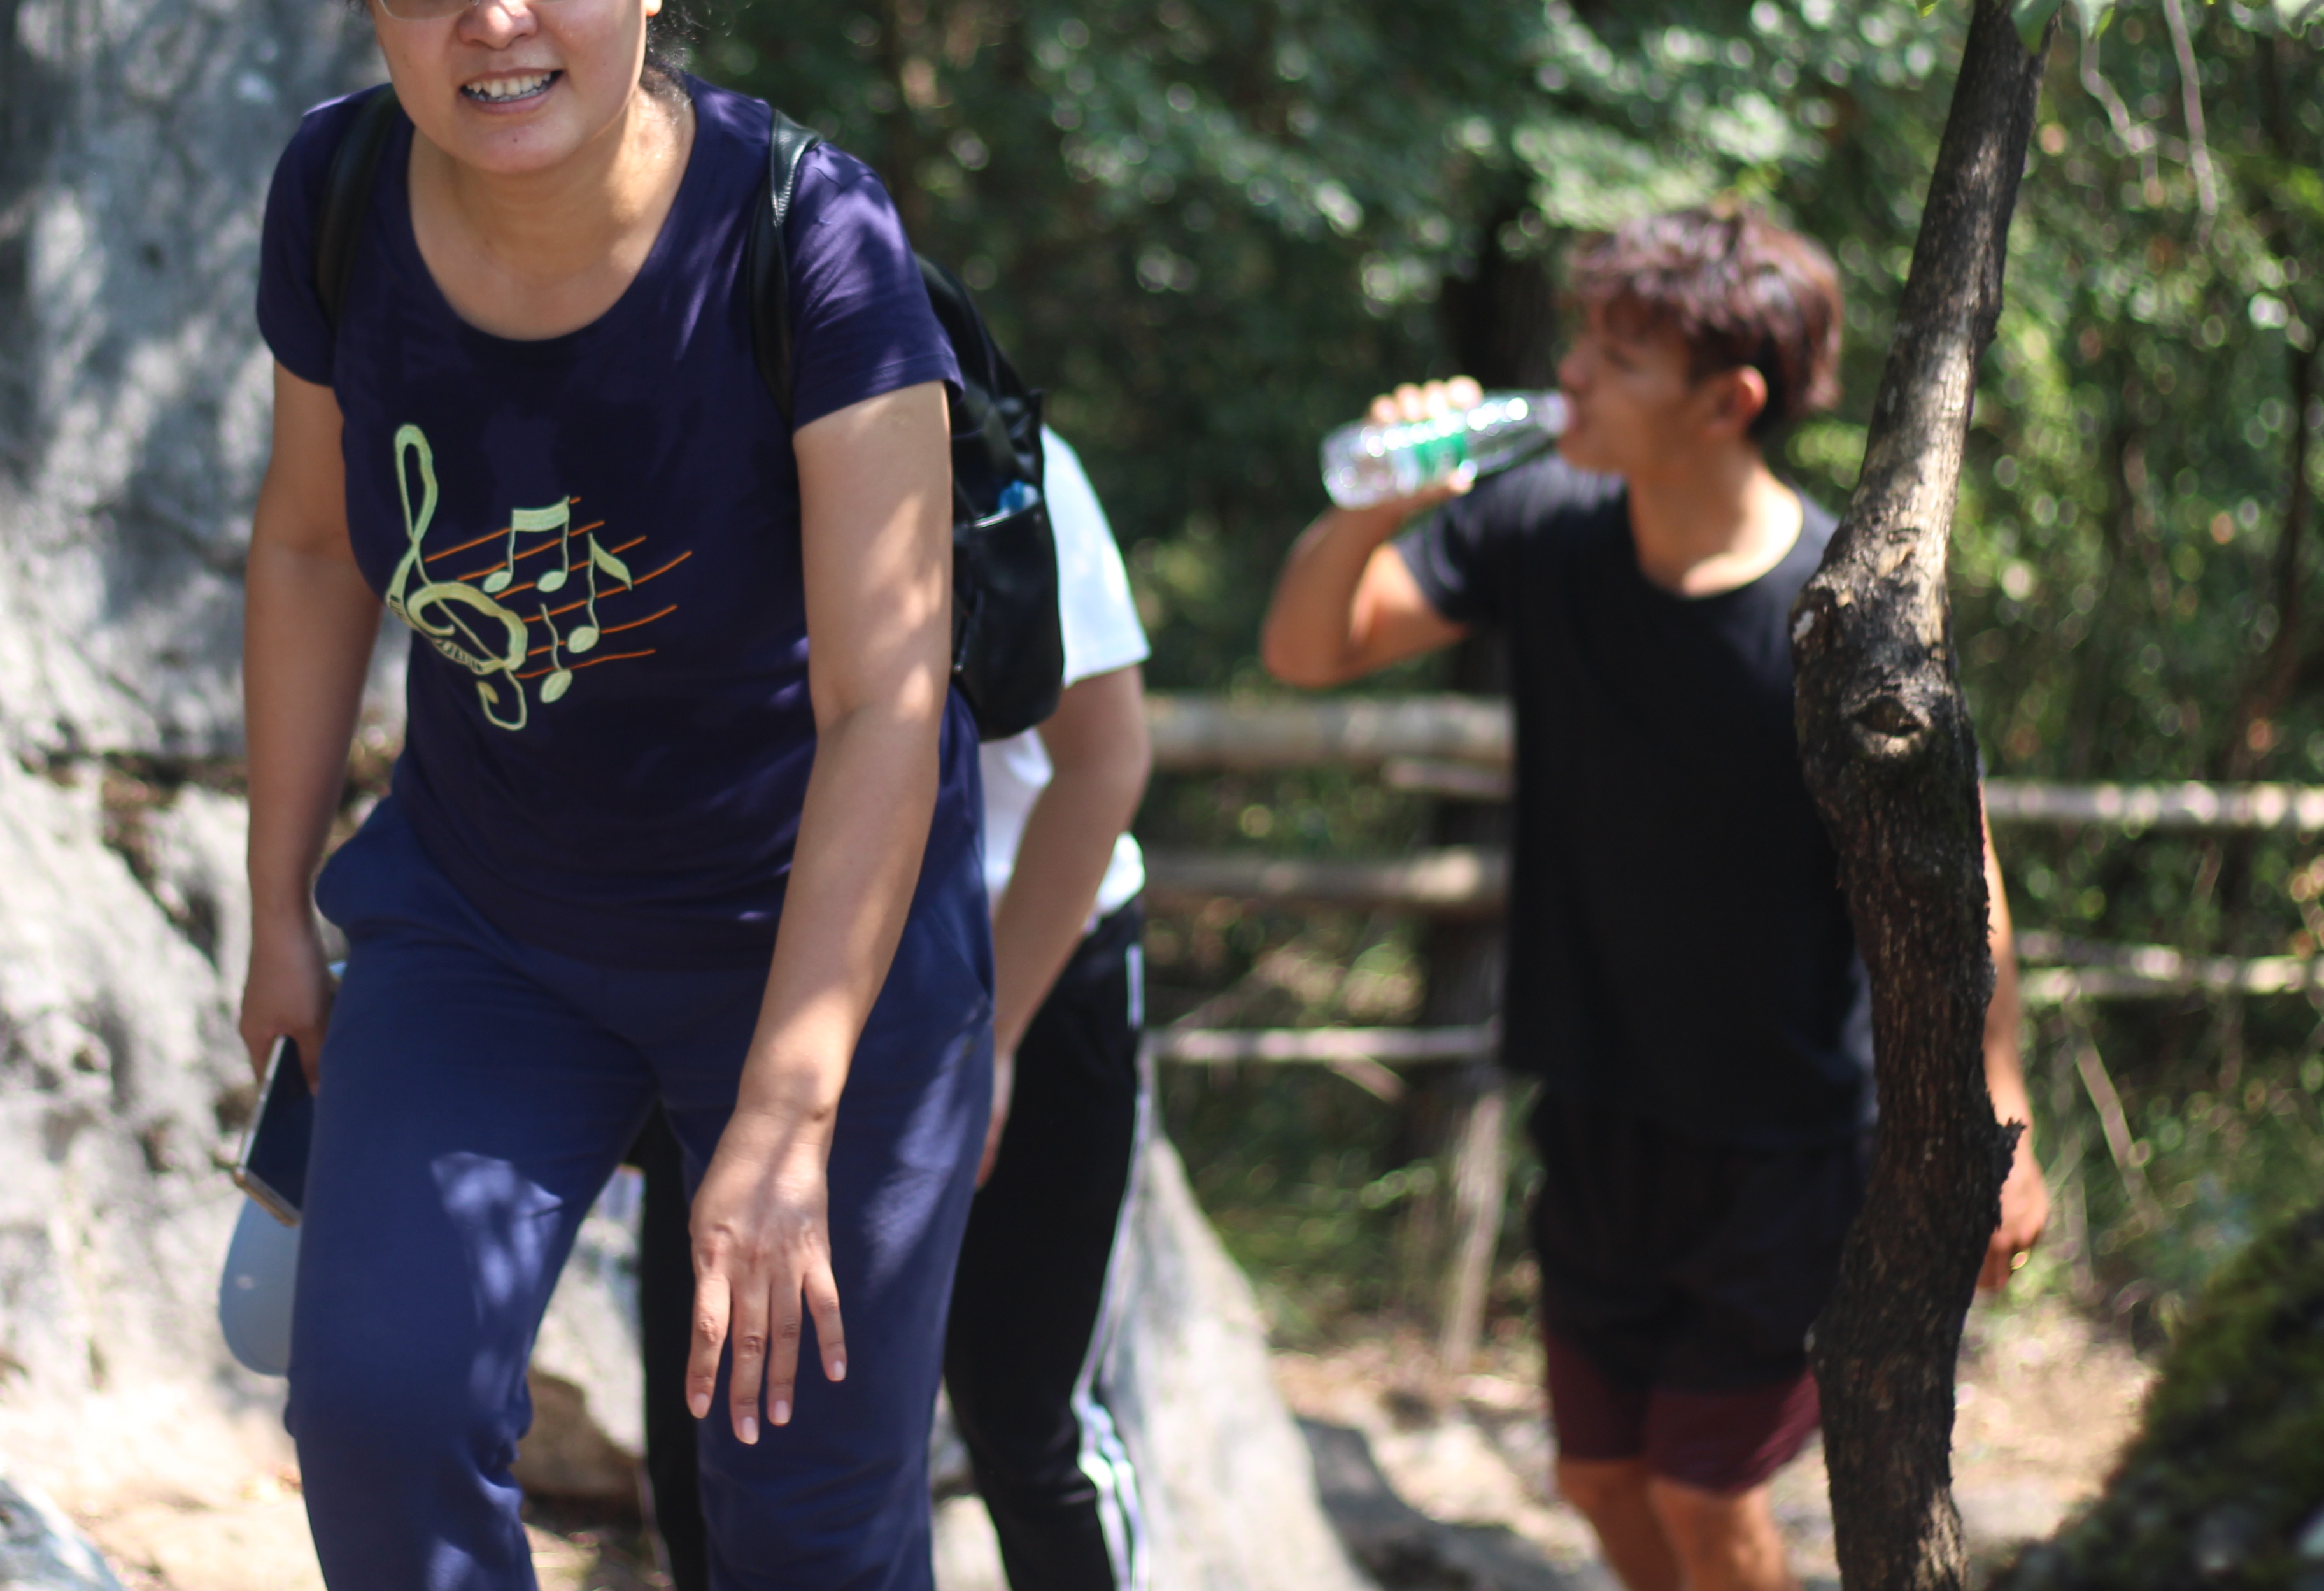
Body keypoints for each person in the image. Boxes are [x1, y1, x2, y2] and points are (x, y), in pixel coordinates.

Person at [239, 0, 991, 1591]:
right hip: (486, 919)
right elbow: (315, 543)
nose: (493, 17)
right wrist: (275, 905)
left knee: (802, 1526)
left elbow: (889, 698)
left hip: (808, 940)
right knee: (380, 1415)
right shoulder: (339, 192)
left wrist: (791, 1110)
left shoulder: (809, 234)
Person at [1256, 206, 2048, 1591]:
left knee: (1704, 1494)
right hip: (1602, 1111)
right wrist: (1378, 496)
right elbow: (1310, 650)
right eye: (1583, 341)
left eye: (1617, 360)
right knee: (1601, 1481)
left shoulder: (1839, 613)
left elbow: (1961, 868)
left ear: (1726, 401)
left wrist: (2001, 1117)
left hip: (1794, 1139)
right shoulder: (1541, 524)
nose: (1570, 375)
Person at [637, 425, 1158, 1591]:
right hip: (777, 982)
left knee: (1024, 1415)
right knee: (716, 1411)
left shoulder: (1007, 463)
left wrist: (999, 1038)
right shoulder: (690, 444)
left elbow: (1104, 763)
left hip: (1032, 955)